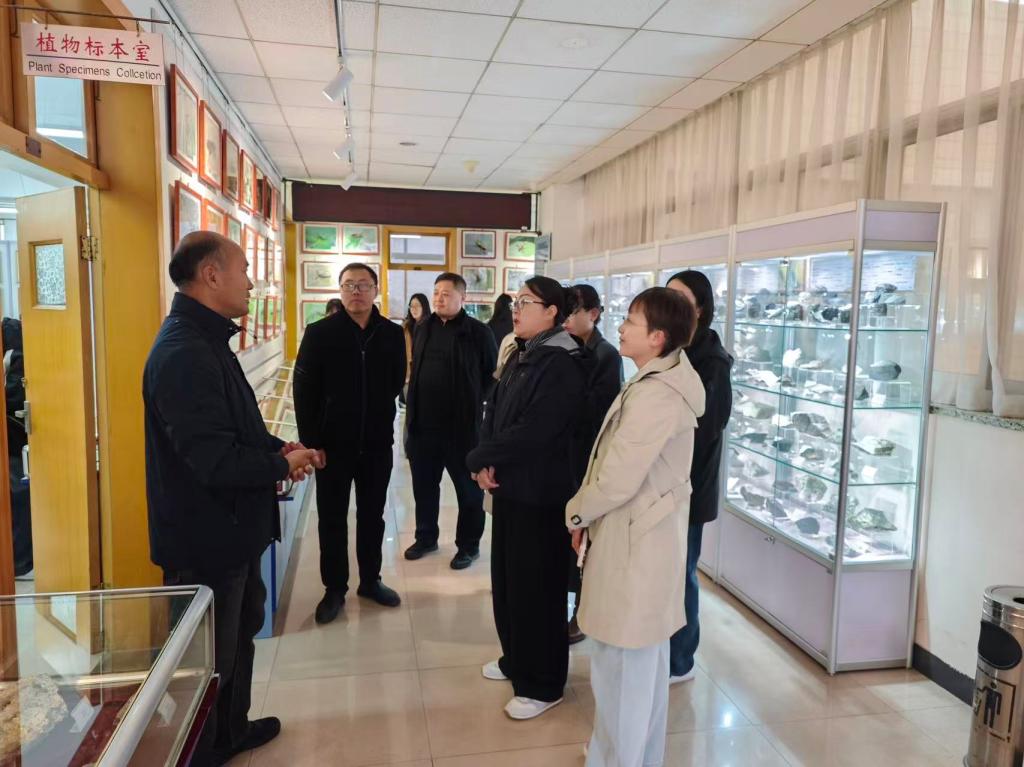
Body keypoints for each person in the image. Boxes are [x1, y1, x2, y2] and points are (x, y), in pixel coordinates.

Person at [144, 231, 321, 767]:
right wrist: (281, 465)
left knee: (238, 640)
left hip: (233, 532)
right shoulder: (183, 353)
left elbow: (235, 428)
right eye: (244, 270)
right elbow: (215, 461)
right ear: (211, 275)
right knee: (208, 663)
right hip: (206, 541)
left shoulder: (207, 341)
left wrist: (276, 449)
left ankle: (230, 733)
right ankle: (203, 752)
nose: (252, 282)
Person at [566, 287, 704, 767]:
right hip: (637, 537)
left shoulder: (657, 395)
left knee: (625, 672)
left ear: (658, 337)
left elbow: (617, 478)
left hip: (636, 543)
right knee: (634, 671)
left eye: (631, 321)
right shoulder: (655, 381)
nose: (621, 328)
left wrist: (577, 513)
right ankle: (624, 757)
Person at [466, 276, 586, 721]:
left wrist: (483, 456)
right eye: (516, 301)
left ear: (552, 311)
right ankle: (515, 659)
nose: (516, 309)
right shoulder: (521, 352)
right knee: (509, 582)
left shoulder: (563, 362)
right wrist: (484, 459)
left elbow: (537, 430)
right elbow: (493, 409)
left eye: (527, 302)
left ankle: (544, 683)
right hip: (511, 488)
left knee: (538, 590)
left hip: (542, 494)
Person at [293, 263, 406, 625]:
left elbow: (396, 381)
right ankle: (334, 588)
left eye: (363, 285)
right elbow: (304, 391)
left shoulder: (391, 334)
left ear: (376, 290)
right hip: (332, 446)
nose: (356, 291)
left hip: (376, 444)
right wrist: (313, 442)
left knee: (373, 516)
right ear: (340, 291)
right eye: (348, 285)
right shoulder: (319, 333)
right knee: (331, 518)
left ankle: (371, 580)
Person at [665, 270, 733, 683]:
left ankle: (681, 660)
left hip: (690, 486)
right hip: (666, 485)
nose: (670, 303)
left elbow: (706, 427)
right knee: (667, 573)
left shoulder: (712, 361)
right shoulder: (675, 350)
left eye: (680, 297)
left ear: (701, 308)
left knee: (683, 573)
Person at [404, 275, 497, 569]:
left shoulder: (478, 332)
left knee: (468, 493)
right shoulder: (423, 328)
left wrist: (472, 402)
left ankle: (468, 546)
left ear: (462, 297)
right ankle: (425, 537)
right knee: (424, 488)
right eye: (436, 293)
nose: (439, 298)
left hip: (462, 431)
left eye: (446, 293)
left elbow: (491, 377)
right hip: (424, 427)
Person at [562, 284, 623, 645]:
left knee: (586, 540)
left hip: (587, 458)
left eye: (574, 312)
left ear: (594, 314)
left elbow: (599, 414)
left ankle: (582, 614)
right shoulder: (566, 347)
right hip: (564, 456)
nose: (567, 319)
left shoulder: (606, 355)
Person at [400, 293, 430, 406]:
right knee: (409, 407)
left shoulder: (431, 327)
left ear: (424, 307)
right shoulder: (405, 327)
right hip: (407, 375)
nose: (414, 309)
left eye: (417, 305)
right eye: (411, 306)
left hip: (425, 375)